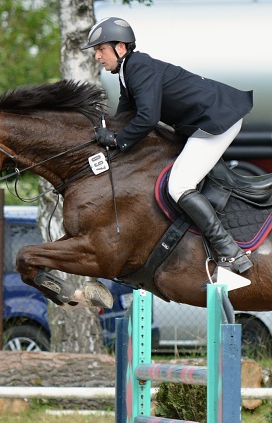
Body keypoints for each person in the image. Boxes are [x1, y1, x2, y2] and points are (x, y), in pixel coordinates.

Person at [83, 16, 253, 275]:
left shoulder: (138, 67)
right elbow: (125, 116)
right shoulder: (128, 72)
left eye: (100, 49)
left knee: (179, 185)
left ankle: (230, 252)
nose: (97, 56)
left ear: (119, 48)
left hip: (216, 121)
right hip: (202, 123)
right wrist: (100, 134)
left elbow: (148, 118)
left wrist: (118, 140)